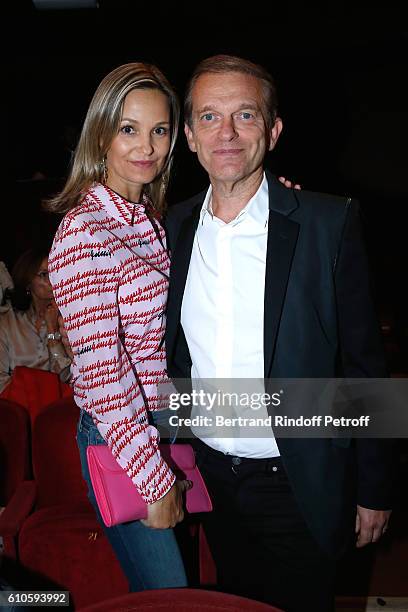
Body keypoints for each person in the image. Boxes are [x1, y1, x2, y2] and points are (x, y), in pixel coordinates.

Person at [163, 55, 393, 612]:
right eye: (210, 118)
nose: (228, 133)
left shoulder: (327, 223)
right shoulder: (169, 228)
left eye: (245, 115)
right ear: (189, 136)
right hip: (211, 477)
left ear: (272, 129)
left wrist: (374, 487)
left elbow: (365, 365)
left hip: (298, 479)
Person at [47, 63, 192, 592]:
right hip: (119, 438)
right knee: (169, 597)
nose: (146, 146)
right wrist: (153, 480)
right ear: (102, 133)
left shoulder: (147, 218)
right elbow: (104, 374)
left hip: (158, 422)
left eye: (159, 130)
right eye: (129, 129)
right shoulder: (85, 229)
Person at [0, 248, 71, 394]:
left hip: (56, 406)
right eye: (44, 274)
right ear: (27, 282)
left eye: (55, 271)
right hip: (19, 406)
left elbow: (65, 375)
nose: (53, 280)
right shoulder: (8, 322)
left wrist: (52, 330)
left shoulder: (69, 319)